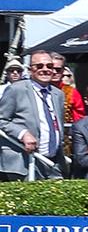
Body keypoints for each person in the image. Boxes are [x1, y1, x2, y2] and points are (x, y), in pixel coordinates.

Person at [0, 50, 66, 181]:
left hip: (52, 162)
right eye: (39, 66)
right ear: (31, 70)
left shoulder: (58, 94)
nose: (45, 69)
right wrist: (23, 133)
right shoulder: (16, 89)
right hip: (23, 162)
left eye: (49, 66)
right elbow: (2, 119)